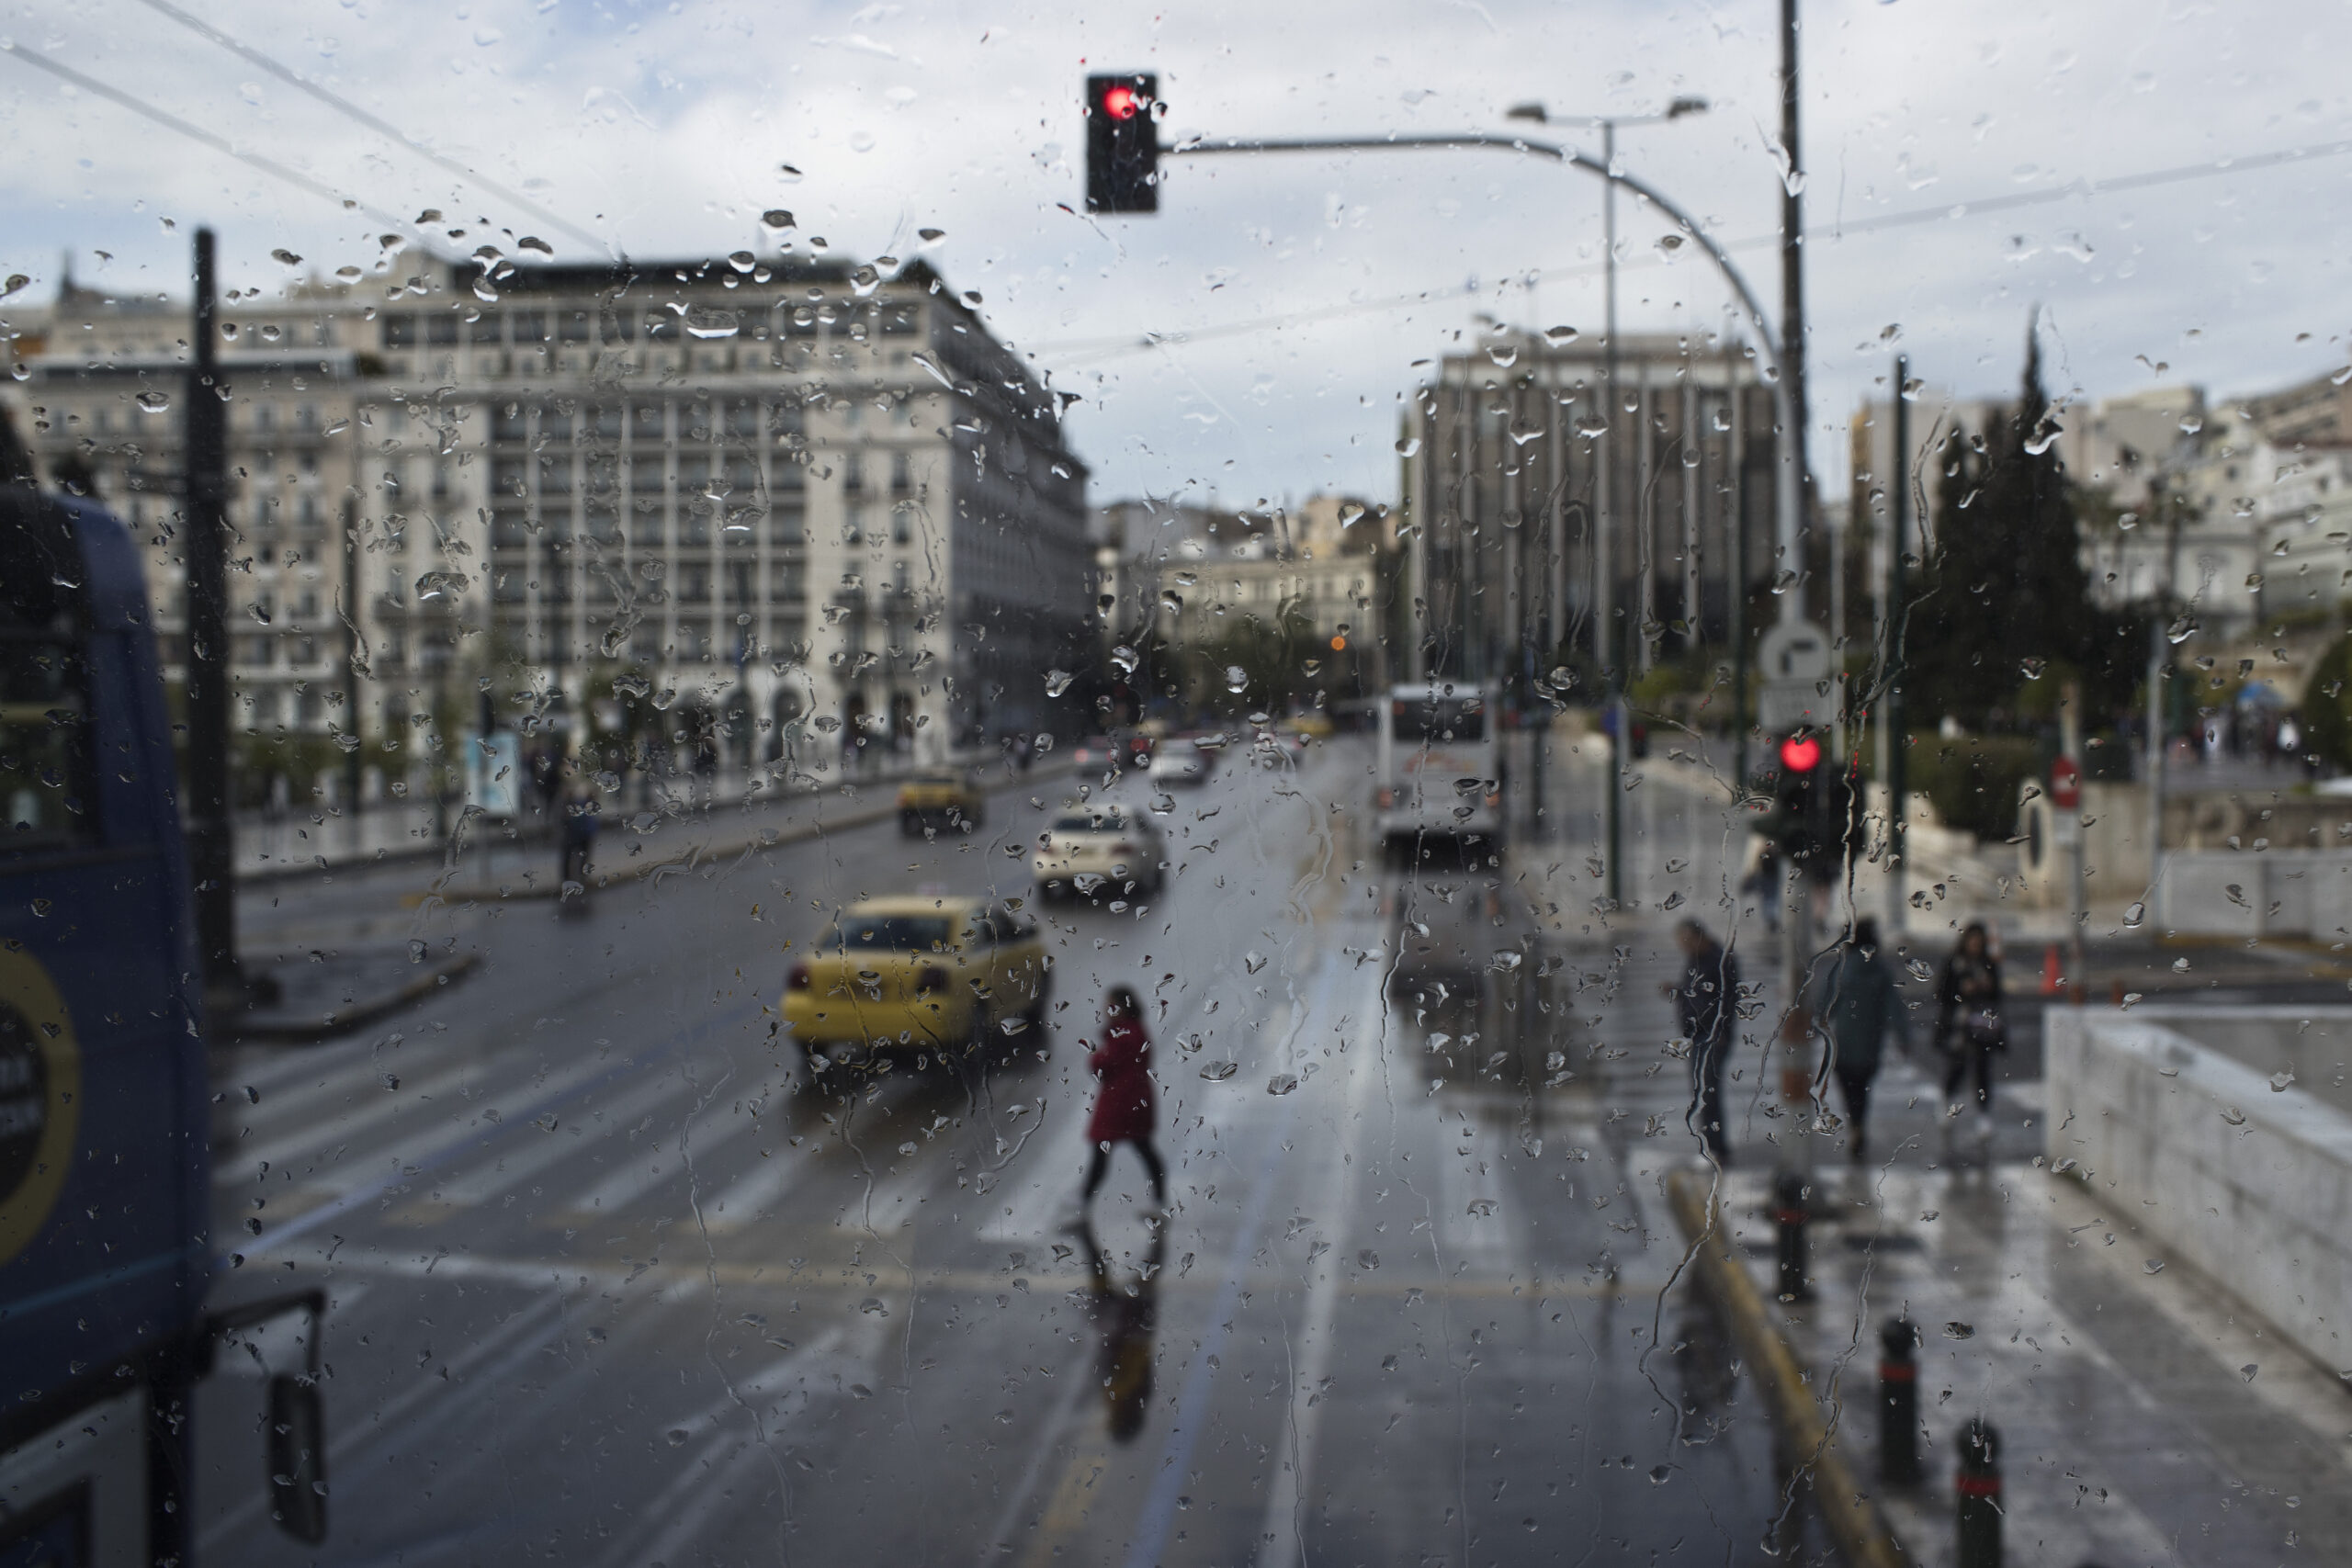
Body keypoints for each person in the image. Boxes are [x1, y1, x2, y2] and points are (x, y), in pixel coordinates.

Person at [1811, 919, 1903, 1163]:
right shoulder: (1881, 969)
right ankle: (1860, 1125)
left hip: (1846, 1041)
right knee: (1863, 1088)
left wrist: (1813, 1024)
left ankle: (1856, 1126)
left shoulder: (1843, 969)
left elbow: (1826, 1003)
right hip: (1872, 1040)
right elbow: (1895, 1006)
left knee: (1848, 1085)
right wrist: (1904, 1036)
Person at [1076, 985, 1168, 1216]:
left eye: (1109, 1005)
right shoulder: (1135, 1030)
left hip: (1120, 1105)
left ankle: (1082, 1205)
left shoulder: (1125, 1035)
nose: (1105, 1010)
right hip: (1135, 1102)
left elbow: (1100, 1064)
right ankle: (1159, 1200)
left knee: (1101, 1153)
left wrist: (1097, 1056)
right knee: (1144, 1149)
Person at [1665, 919, 1741, 1165]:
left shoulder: (1721, 960)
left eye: (1685, 941)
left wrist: (1720, 1032)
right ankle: (1710, 1144)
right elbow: (1695, 993)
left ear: (1698, 937)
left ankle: (1718, 1147)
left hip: (1712, 1036)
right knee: (1701, 1090)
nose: (1682, 947)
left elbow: (1727, 1000)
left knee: (1708, 1090)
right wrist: (1676, 992)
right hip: (1697, 1034)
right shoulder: (1694, 958)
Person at [1935, 922, 2006, 1142]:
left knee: (1982, 1069)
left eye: (1979, 942)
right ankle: (1947, 1101)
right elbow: (1942, 992)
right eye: (1972, 942)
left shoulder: (1988, 965)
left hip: (1982, 1024)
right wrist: (1961, 990)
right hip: (1959, 1024)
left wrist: (1987, 986)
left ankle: (1983, 1115)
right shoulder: (1955, 963)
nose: (1975, 946)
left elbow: (1998, 994)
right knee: (1958, 1066)